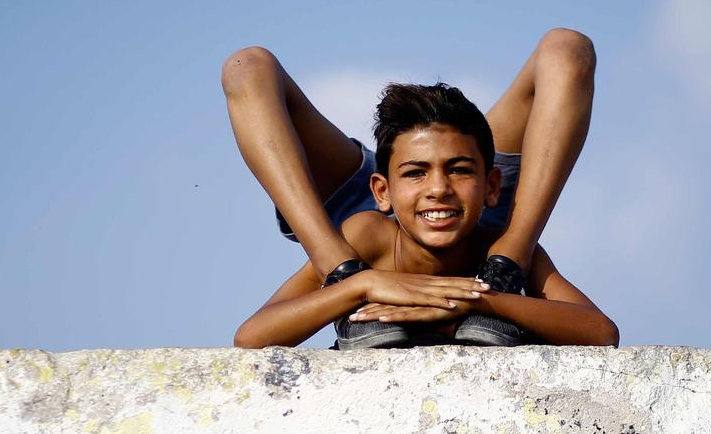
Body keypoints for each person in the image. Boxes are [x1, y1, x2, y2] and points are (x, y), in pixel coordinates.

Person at [222, 28, 618, 349]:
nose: (438, 189)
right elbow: (252, 337)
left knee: (569, 46)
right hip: (357, 231)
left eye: (457, 172)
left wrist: (483, 295)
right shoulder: (363, 232)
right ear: (382, 190)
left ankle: (506, 263)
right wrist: (359, 283)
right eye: (418, 175)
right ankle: (336, 268)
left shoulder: (490, 234)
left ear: (493, 183)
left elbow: (601, 332)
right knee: (247, 66)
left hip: (488, 226)